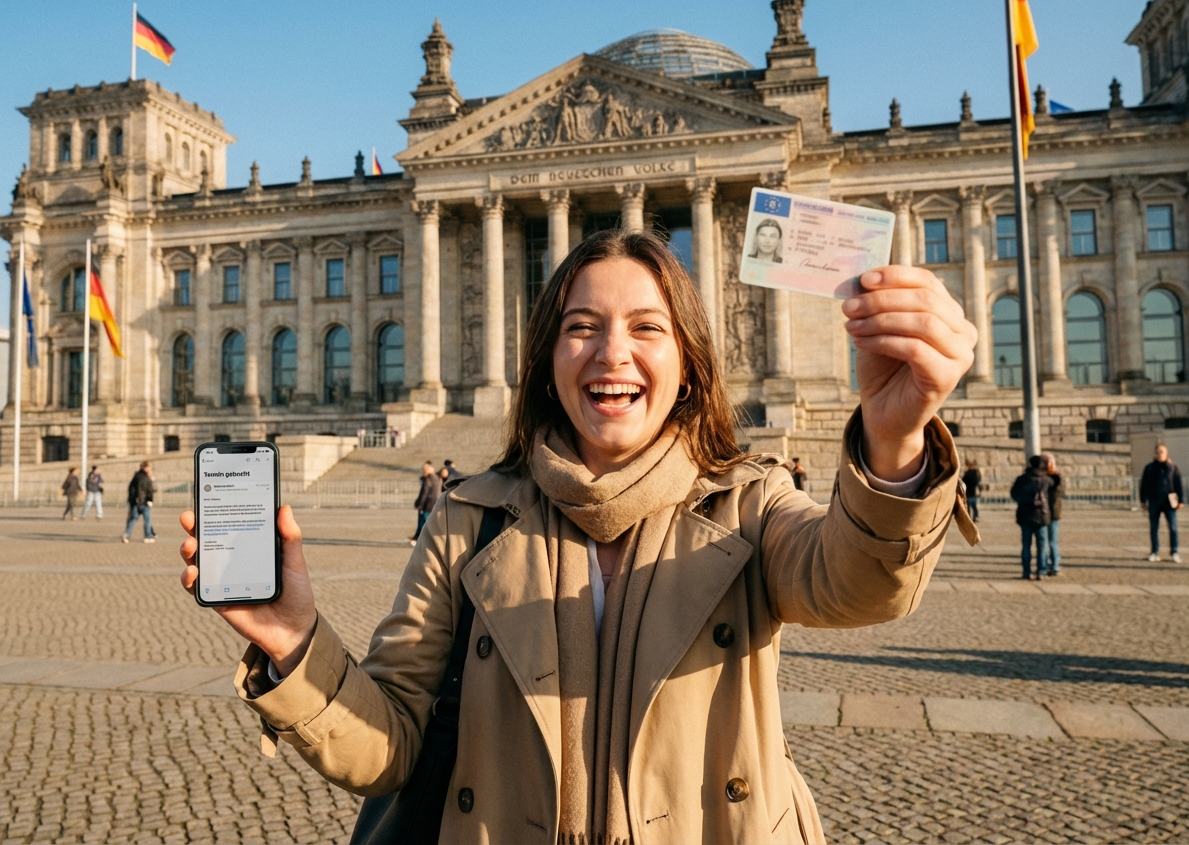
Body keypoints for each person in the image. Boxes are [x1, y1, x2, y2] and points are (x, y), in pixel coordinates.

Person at [178, 231, 978, 844]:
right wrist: (294, 644)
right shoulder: (469, 521)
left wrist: (894, 441)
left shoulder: (752, 503)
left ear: (689, 363)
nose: (612, 353)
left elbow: (860, 582)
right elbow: (391, 750)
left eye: (647, 328)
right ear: (548, 358)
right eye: (581, 327)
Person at [1140, 443, 1184, 563]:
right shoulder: (1149, 468)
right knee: (1154, 528)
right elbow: (1144, 484)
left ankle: (1174, 552)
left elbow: (1177, 483)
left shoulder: (1172, 467)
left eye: (1162, 452)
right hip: (1154, 501)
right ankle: (1154, 552)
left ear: (1166, 453)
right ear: (1154, 453)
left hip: (1170, 501)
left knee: (1173, 528)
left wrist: (1181, 500)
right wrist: (1143, 500)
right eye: (1158, 452)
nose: (1160, 454)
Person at [1010, 455, 1052, 580]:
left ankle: (1026, 571)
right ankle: (1041, 571)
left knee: (1026, 545)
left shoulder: (1022, 479)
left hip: (1025, 515)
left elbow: (1013, 494)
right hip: (1041, 516)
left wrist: (1022, 502)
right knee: (1042, 546)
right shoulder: (1046, 479)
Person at [122, 461, 156, 544]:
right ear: (145, 468)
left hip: (135, 502)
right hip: (143, 502)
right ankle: (148, 536)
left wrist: (132, 501)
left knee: (134, 518)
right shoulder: (145, 477)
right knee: (147, 520)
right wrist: (149, 500)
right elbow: (149, 490)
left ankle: (126, 535)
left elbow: (131, 489)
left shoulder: (136, 476)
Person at [1043, 452, 1065, 575]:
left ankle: (1055, 565)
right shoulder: (1040, 476)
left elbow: (1059, 492)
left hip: (1053, 513)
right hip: (1041, 513)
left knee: (1052, 541)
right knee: (1043, 542)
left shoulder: (1057, 477)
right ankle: (1044, 564)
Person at [412, 461, 440, 541]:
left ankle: (421, 539)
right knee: (428, 522)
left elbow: (424, 493)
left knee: (424, 523)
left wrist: (419, 504)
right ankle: (418, 537)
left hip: (427, 504)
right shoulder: (436, 478)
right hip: (433, 503)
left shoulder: (428, 480)